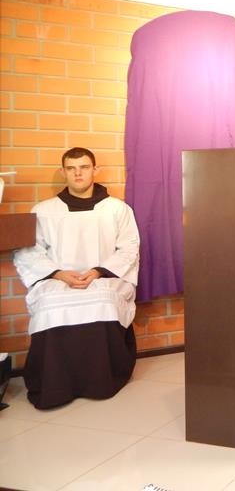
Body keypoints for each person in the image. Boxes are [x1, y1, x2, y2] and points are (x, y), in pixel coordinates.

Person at [13, 147, 140, 409]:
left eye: (84, 167)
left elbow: (129, 247)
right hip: (58, 277)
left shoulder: (117, 209)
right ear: (63, 172)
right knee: (49, 303)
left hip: (104, 275)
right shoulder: (44, 210)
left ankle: (101, 381)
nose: (78, 173)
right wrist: (59, 274)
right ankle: (55, 385)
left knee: (104, 299)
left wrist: (98, 271)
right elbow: (29, 251)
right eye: (71, 168)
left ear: (95, 170)